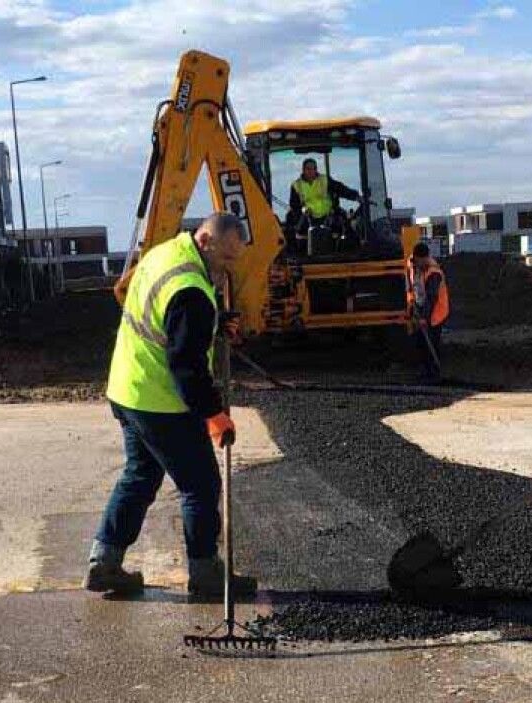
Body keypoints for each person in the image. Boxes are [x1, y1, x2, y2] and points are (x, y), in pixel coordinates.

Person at [86, 212, 256, 597]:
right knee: (200, 483)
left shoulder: (168, 253)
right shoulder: (191, 290)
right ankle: (205, 573)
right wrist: (214, 415)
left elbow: (167, 312)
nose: (231, 267)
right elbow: (187, 366)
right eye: (228, 258)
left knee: (140, 475)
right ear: (208, 240)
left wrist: (215, 320)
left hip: (127, 388)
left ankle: (104, 562)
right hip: (160, 400)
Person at [286, 158, 360, 248]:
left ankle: (347, 248)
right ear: (303, 170)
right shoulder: (296, 185)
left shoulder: (324, 180)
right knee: (293, 222)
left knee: (345, 225)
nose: (311, 171)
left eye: (313, 168)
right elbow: (294, 205)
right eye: (308, 169)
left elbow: (340, 189)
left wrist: (356, 197)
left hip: (328, 215)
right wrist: (303, 210)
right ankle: (298, 250)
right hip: (308, 217)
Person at [406, 241, 450, 382]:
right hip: (420, 308)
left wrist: (425, 318)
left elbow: (431, 298)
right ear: (416, 258)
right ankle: (425, 371)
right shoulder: (411, 265)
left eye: (424, 260)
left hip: (436, 312)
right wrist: (413, 308)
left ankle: (434, 372)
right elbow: (412, 288)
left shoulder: (434, 273)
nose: (422, 263)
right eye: (420, 260)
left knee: (432, 341)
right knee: (420, 342)